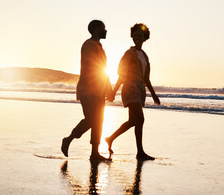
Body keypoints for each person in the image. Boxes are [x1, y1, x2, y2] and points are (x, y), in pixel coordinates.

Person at [106, 23, 160, 160]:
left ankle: (110, 138)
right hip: (130, 87)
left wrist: (154, 95)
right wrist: (113, 91)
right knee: (140, 119)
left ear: (144, 38)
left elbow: (146, 78)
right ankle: (140, 152)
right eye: (135, 35)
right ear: (132, 37)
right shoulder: (129, 54)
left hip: (140, 89)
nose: (137, 38)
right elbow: (122, 74)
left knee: (133, 121)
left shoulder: (145, 56)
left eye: (140, 36)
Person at [61, 20, 112, 161]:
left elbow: (103, 69)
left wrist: (108, 88)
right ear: (96, 29)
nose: (105, 30)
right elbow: (94, 66)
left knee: (98, 121)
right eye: (103, 28)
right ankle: (69, 139)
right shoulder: (89, 45)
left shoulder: (99, 46)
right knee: (91, 120)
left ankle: (94, 153)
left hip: (99, 90)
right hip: (88, 89)